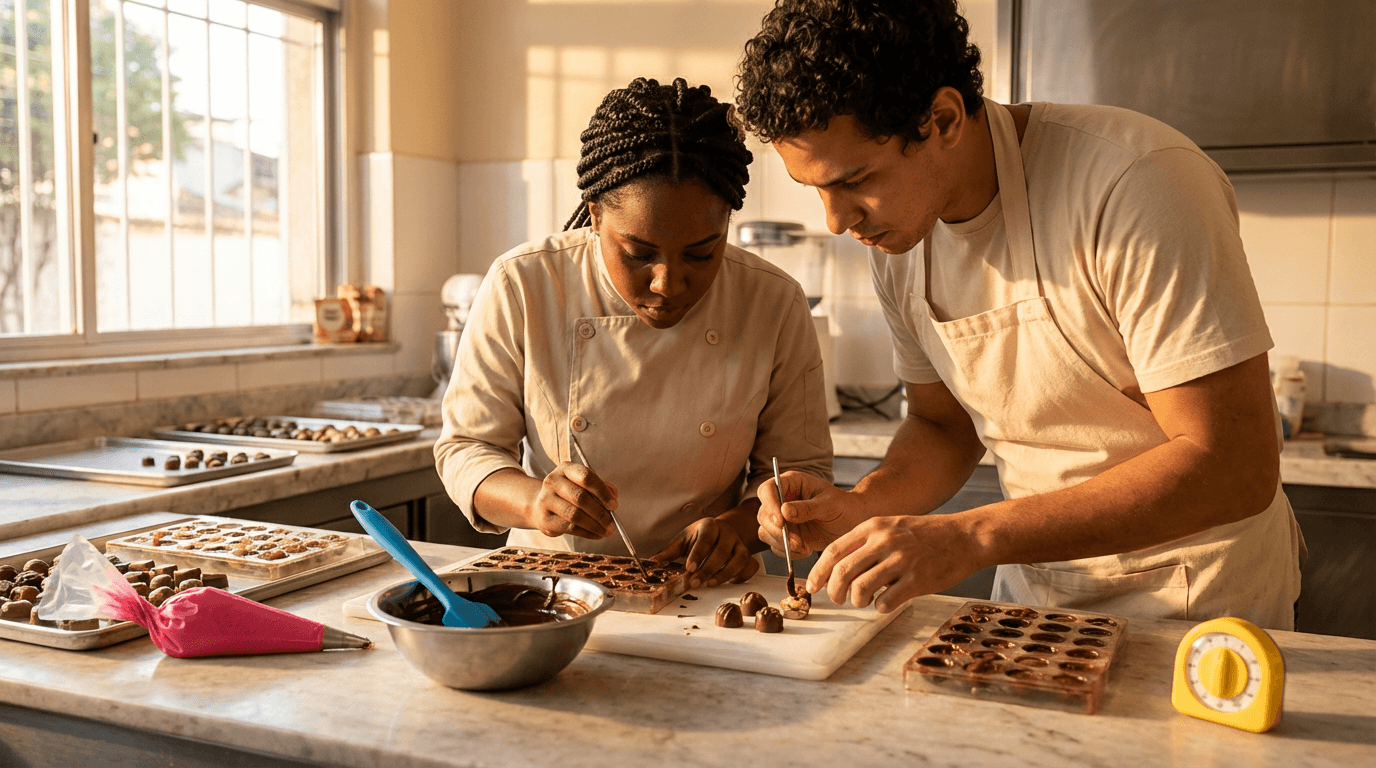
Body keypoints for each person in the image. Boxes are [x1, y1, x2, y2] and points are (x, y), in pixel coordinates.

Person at [736, 0, 1303, 628]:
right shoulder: (901, 239)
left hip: (1196, 598)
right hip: (1036, 594)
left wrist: (973, 537)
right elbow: (943, 427)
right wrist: (859, 505)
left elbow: (1232, 464)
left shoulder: (1136, 184)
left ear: (944, 119)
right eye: (815, 189)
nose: (836, 221)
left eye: (854, 180)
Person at [435, 77, 833, 590]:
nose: (668, 283)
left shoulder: (773, 301)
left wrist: (737, 528)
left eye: (700, 252)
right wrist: (535, 501)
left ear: (728, 224)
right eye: (639, 253)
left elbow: (798, 472)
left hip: (710, 591)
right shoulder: (526, 283)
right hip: (554, 588)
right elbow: (466, 449)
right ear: (596, 216)